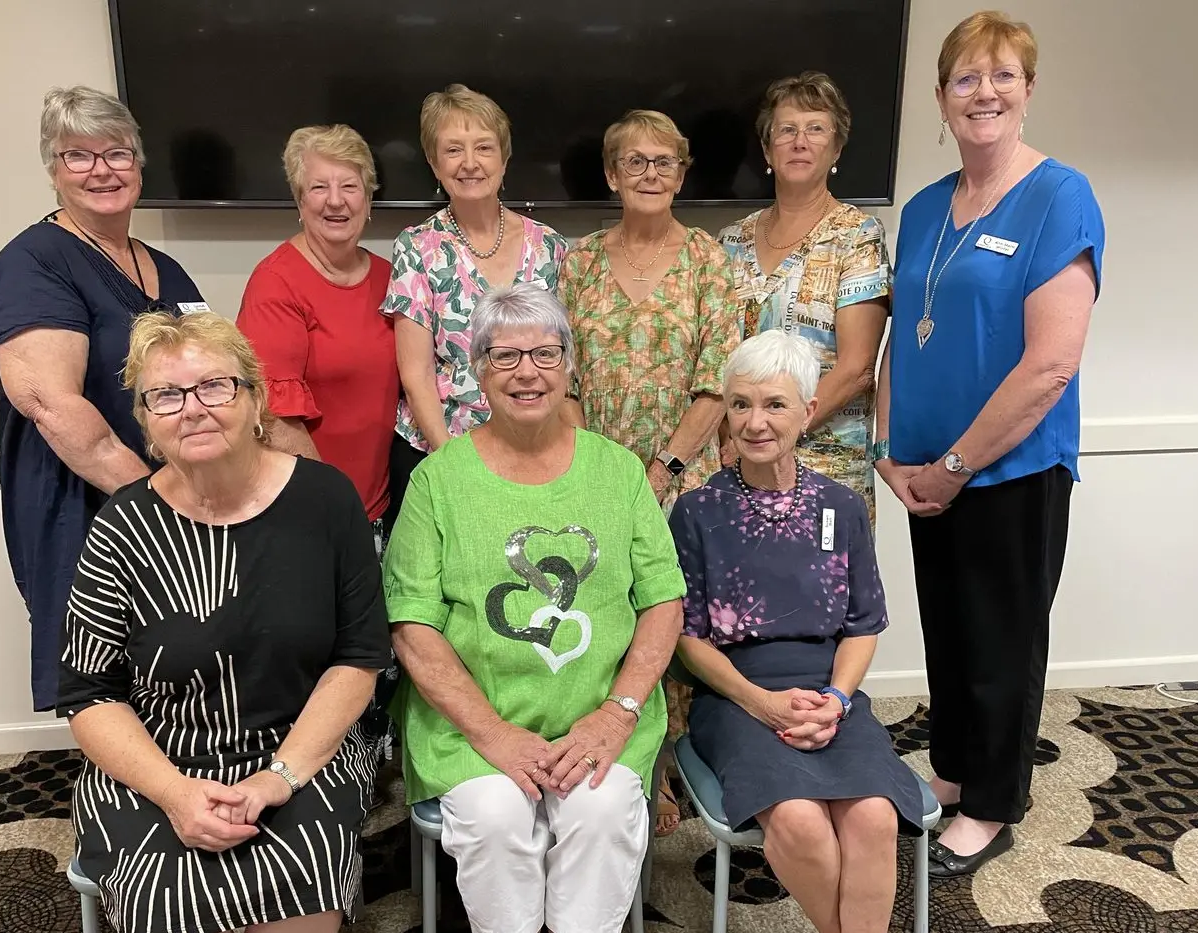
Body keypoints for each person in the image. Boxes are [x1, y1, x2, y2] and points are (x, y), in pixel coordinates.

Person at [59, 310, 392, 933]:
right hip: (159, 756)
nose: (193, 409)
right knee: (166, 897)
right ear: (147, 422)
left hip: (301, 747)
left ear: (255, 399)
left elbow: (359, 657)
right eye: (166, 395)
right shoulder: (123, 525)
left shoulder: (326, 501)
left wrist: (278, 779)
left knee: (297, 879)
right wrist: (174, 792)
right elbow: (89, 693)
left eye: (215, 386)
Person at [875, 10, 1105, 876]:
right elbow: (903, 337)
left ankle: (993, 804)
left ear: (1029, 89)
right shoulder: (923, 208)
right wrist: (892, 452)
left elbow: (1051, 364)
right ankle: (954, 771)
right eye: (966, 78)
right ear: (941, 97)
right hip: (925, 472)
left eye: (1003, 75)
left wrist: (956, 466)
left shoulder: (1059, 197)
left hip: (1010, 470)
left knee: (1003, 641)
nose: (985, 93)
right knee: (950, 632)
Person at [384, 284, 686, 933]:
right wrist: (493, 733)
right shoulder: (437, 481)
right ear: (478, 369)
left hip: (601, 716)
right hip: (470, 729)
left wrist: (618, 712)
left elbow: (664, 601)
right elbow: (411, 625)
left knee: (601, 815)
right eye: (505, 355)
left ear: (569, 364)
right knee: (496, 818)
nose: (528, 371)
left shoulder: (619, 472)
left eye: (546, 353)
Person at [671, 330, 923, 933]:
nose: (755, 422)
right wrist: (763, 704)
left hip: (829, 694)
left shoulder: (842, 506)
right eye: (740, 404)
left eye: (775, 404)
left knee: (874, 816)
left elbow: (863, 626)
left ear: (808, 412)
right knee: (800, 820)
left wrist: (836, 700)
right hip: (734, 697)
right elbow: (685, 638)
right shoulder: (696, 512)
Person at [0, 86, 207, 712]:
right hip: (87, 503)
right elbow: (52, 405)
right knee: (104, 678)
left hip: (174, 496)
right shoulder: (35, 263)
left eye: (117, 153)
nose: (101, 170)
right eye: (78, 156)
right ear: (53, 170)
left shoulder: (165, 269)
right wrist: (157, 504)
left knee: (177, 664)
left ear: (139, 164)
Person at [558, 108, 742, 835]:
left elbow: (716, 380)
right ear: (611, 174)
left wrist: (662, 467)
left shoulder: (708, 260)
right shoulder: (577, 263)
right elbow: (564, 378)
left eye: (665, 161)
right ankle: (611, 753)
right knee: (606, 613)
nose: (650, 174)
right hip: (595, 475)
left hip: (684, 476)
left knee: (676, 619)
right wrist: (602, 470)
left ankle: (665, 766)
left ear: (682, 173)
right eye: (635, 161)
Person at [235, 123, 402, 792]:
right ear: (297, 198)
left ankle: (371, 767)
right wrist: (338, 516)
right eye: (318, 187)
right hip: (307, 508)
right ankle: (314, 780)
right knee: (324, 650)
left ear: (370, 196)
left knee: (376, 643)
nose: (335, 201)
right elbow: (276, 414)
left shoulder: (389, 278)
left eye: (349, 186)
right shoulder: (277, 281)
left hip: (380, 498)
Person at [718, 73, 891, 523]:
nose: (800, 141)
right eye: (786, 130)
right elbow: (714, 358)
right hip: (737, 464)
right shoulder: (729, 241)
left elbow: (856, 370)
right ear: (767, 150)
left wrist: (770, 434)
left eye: (816, 129)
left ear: (836, 150)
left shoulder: (857, 236)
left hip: (826, 469)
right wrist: (740, 442)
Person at [383, 84, 569, 488]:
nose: (470, 163)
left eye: (484, 147)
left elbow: (563, 361)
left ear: (504, 158)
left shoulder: (550, 246)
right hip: (440, 451)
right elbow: (416, 373)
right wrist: (453, 464)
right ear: (434, 163)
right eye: (453, 150)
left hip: (532, 450)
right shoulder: (416, 247)